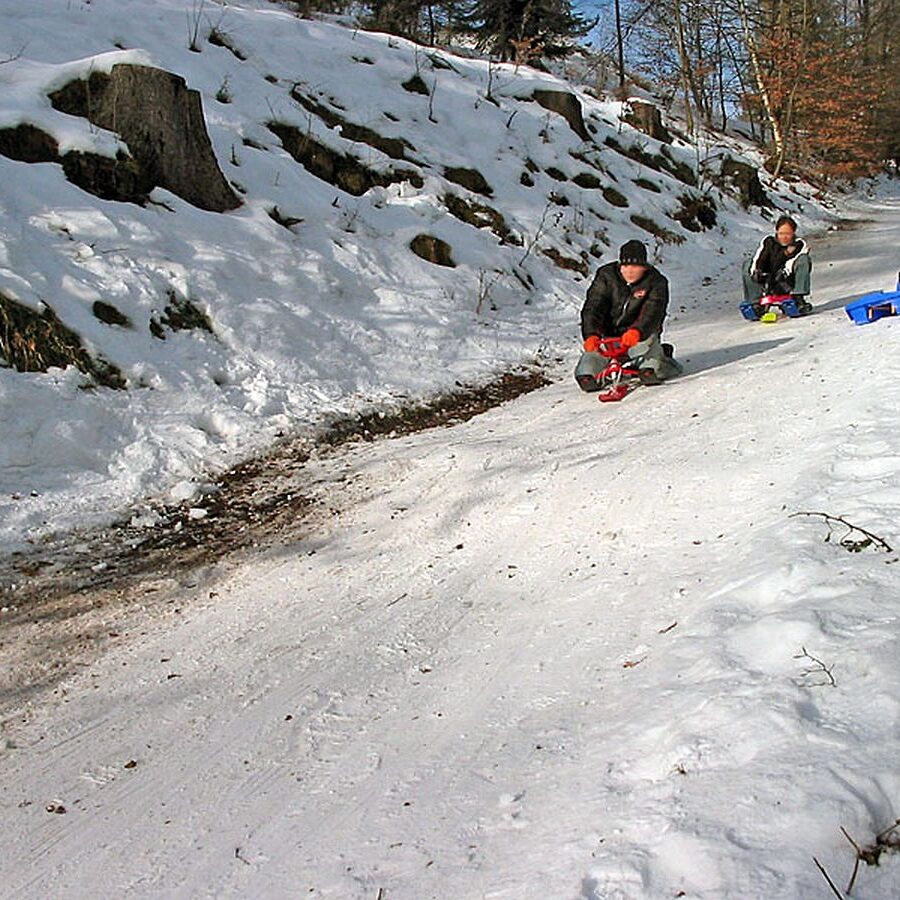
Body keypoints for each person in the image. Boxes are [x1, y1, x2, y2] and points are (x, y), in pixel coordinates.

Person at [575, 239, 683, 390]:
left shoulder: (656, 281)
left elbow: (653, 311)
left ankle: (660, 360)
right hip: (607, 337)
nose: (630, 270)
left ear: (644, 267)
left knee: (650, 365)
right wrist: (591, 333)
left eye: (635, 266)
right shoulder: (606, 276)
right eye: (625, 266)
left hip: (639, 336)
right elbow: (594, 306)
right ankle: (593, 376)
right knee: (587, 368)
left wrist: (637, 330)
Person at [741, 215, 812, 315]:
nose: (784, 237)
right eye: (781, 233)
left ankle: (798, 298)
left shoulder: (798, 244)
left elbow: (791, 262)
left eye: (788, 234)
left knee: (804, 260)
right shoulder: (769, 242)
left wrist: (785, 259)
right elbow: (760, 257)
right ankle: (755, 302)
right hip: (768, 279)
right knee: (748, 263)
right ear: (777, 232)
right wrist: (758, 270)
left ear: (793, 233)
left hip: (786, 280)